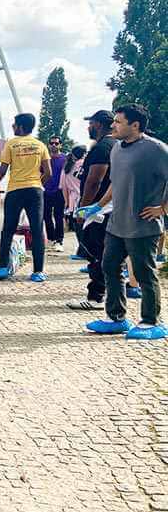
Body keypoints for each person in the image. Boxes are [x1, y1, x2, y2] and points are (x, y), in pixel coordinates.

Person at [77, 103, 168, 340]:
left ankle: (151, 321)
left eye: (118, 122)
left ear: (135, 125)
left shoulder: (156, 149)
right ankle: (116, 317)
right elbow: (115, 185)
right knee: (109, 266)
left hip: (143, 226)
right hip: (117, 223)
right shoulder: (116, 149)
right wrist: (97, 206)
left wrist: (162, 208)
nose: (113, 125)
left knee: (144, 273)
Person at [0, 113, 52, 282]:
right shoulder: (40, 145)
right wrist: (37, 183)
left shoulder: (11, 144)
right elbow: (48, 172)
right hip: (35, 191)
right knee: (36, 230)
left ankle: (3, 268)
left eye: (14, 124)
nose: (13, 127)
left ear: (20, 126)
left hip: (15, 191)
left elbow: (2, 171)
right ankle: (38, 271)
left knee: (8, 229)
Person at [66, 111, 116, 312]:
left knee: (96, 253)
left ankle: (96, 297)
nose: (88, 127)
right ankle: (103, 295)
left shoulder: (103, 147)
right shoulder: (115, 145)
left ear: (98, 125)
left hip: (99, 210)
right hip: (109, 207)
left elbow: (95, 180)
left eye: (91, 123)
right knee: (105, 253)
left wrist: (83, 209)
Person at [43, 136, 67, 251]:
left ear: (60, 145)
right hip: (46, 191)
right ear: (48, 145)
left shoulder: (65, 159)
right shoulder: (44, 158)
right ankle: (51, 238)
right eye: (51, 143)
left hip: (59, 191)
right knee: (46, 216)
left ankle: (59, 241)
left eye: (56, 143)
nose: (54, 145)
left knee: (58, 216)